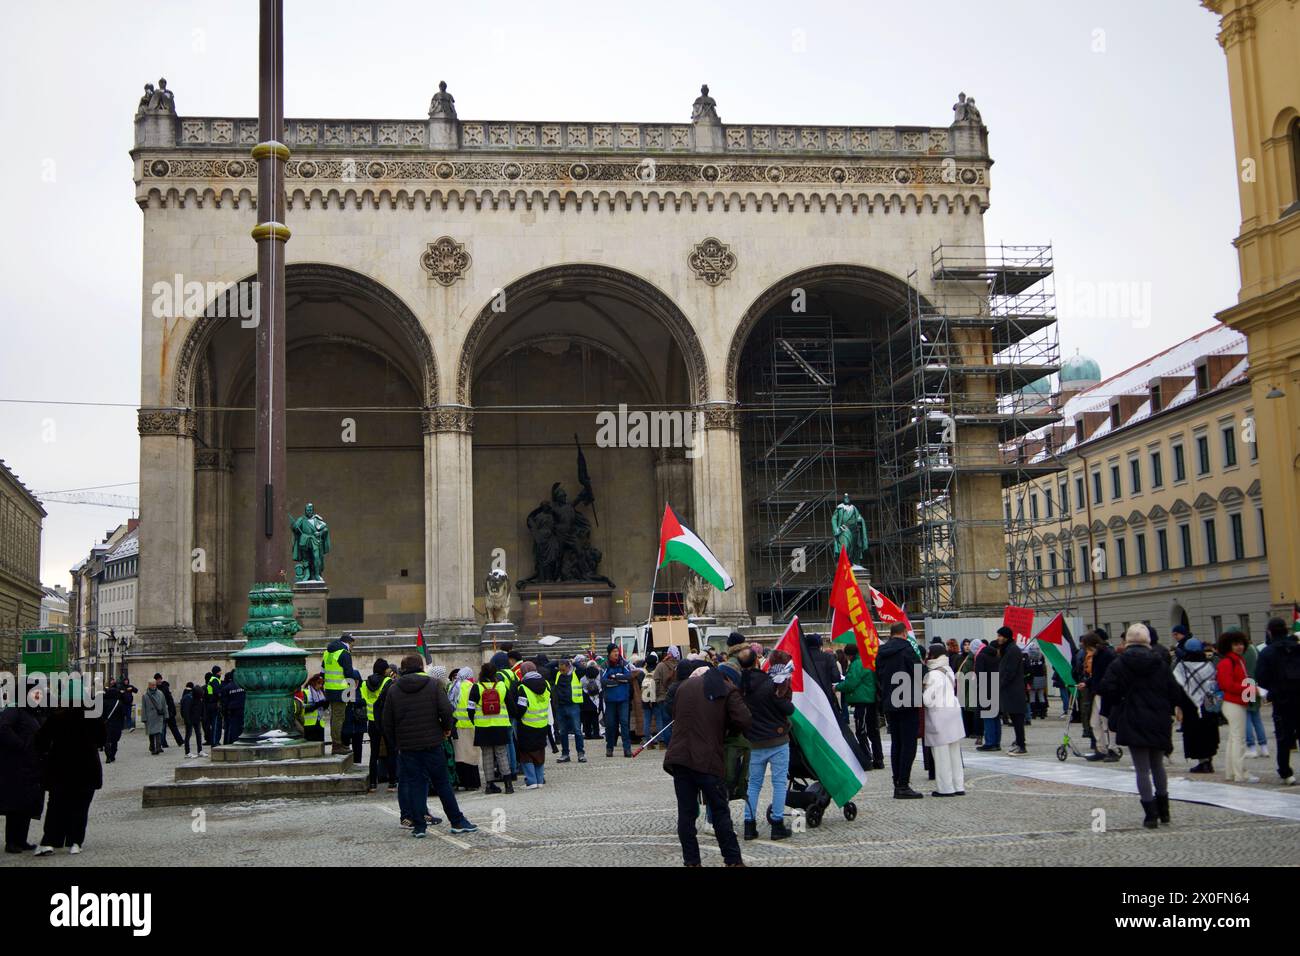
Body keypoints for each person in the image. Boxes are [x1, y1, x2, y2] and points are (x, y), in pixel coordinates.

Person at [662, 659, 752, 867]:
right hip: (708, 759)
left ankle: (691, 862)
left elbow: (675, 715)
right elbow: (745, 720)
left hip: (680, 758)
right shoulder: (727, 688)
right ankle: (733, 860)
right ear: (729, 677)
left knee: (686, 814)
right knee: (720, 810)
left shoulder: (684, 686)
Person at [380, 655, 477, 836]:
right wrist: (446, 729)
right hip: (432, 742)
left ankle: (419, 826)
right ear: (421, 667)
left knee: (416, 784)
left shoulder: (394, 690)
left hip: (407, 746)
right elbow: (447, 710)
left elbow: (387, 722)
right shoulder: (433, 685)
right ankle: (456, 821)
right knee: (442, 783)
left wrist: (396, 743)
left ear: (403, 669)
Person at [1099, 624, 1180, 828]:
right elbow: (1172, 689)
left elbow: (1106, 688)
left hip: (1133, 717)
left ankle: (1150, 814)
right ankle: (1165, 811)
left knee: (1142, 769)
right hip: (1158, 717)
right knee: (1158, 765)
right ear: (1147, 641)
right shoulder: (1159, 662)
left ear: (1127, 641)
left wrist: (1120, 701)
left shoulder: (1120, 663)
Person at [34, 701, 106, 856]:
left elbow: (41, 741)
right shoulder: (93, 716)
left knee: (56, 805)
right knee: (80, 806)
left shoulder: (57, 716)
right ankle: (75, 841)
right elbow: (102, 740)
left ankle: (50, 841)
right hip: (86, 767)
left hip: (61, 767)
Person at [739, 643, 794, 840]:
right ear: (757, 661)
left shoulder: (741, 686)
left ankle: (749, 825)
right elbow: (788, 709)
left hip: (754, 741)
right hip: (777, 740)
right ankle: (777, 825)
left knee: (753, 784)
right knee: (779, 784)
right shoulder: (770, 683)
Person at [876, 622, 924, 798]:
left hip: (890, 701)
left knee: (897, 743)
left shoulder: (881, 652)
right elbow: (920, 673)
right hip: (907, 701)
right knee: (909, 744)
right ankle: (903, 784)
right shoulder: (907, 649)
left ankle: (897, 781)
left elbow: (878, 676)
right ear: (904, 633)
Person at [1255, 616, 1300, 785]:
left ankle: (1286, 772)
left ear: (1270, 632)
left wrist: (1273, 688)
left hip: (1282, 700)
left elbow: (1261, 677)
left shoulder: (1267, 652)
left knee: (1283, 738)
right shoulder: (1297, 648)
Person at [0, 684, 43, 853]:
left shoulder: (31, 713)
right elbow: (3, 729)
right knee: (15, 806)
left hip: (30, 767)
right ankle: (11, 842)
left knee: (26, 805)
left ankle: (21, 840)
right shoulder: (14, 710)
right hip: (16, 768)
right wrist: (21, 745)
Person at [1216, 629, 1259, 783]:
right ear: (1229, 646)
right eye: (1235, 644)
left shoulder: (1236, 660)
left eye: (1241, 644)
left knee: (1233, 740)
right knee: (1238, 740)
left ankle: (1232, 773)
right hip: (1233, 703)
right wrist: (1250, 689)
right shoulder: (1228, 662)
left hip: (1235, 702)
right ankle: (1240, 773)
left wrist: (1250, 692)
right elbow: (1227, 684)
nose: (1239, 647)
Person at [923, 644, 966, 796]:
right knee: (954, 751)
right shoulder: (948, 670)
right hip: (953, 713)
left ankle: (945, 788)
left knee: (941, 754)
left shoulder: (932, 674)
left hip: (939, 716)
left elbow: (928, 699)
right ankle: (958, 785)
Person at [1172, 638, 1220, 774]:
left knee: (1195, 733)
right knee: (1209, 731)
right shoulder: (1209, 665)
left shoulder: (1182, 666)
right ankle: (1209, 761)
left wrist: (1177, 705)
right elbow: (1213, 685)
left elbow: (1177, 686)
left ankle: (1202, 762)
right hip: (1208, 702)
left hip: (1189, 705)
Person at [835, 644, 882, 770]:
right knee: (873, 730)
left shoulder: (857, 664)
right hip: (870, 699)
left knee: (861, 730)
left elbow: (851, 683)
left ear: (848, 655)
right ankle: (879, 758)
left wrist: (836, 687)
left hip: (863, 700)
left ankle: (867, 758)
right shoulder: (866, 660)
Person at [470, 662, 514, 794]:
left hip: (483, 727)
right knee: (502, 753)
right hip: (500, 725)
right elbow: (511, 705)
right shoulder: (501, 686)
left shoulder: (477, 687)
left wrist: (475, 721)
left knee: (487, 755)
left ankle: (489, 785)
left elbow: (470, 708)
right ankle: (508, 784)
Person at [508, 662, 552, 789]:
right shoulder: (546, 684)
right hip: (542, 723)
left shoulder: (523, 687)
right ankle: (539, 780)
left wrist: (516, 714)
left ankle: (531, 781)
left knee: (526, 753)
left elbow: (521, 707)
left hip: (527, 724)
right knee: (539, 751)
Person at [1081, 631, 1119, 761]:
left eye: (1088, 648)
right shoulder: (1097, 655)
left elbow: (1108, 676)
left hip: (1107, 694)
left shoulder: (1108, 655)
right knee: (1095, 722)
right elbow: (1096, 676)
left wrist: (1097, 685)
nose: (1088, 651)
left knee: (1108, 723)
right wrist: (1086, 683)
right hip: (1098, 692)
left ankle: (1113, 749)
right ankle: (1101, 748)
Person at [362, 659, 395, 792]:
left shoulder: (365, 684)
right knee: (391, 751)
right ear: (384, 669)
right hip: (385, 721)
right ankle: (392, 782)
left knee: (374, 753)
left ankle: (373, 784)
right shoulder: (387, 682)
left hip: (371, 721)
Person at [994, 627, 1028, 755]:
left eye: (1000, 636)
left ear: (1006, 636)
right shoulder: (1008, 649)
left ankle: (1021, 745)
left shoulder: (1012, 650)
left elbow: (1010, 671)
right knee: (1015, 719)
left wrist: (1001, 684)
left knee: (1017, 719)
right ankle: (1019, 742)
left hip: (1014, 690)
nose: (998, 638)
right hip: (1010, 690)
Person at [448, 666, 481, 789]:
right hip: (470, 724)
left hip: (456, 726)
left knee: (459, 755)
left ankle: (461, 781)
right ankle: (472, 782)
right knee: (471, 755)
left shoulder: (453, 686)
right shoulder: (471, 687)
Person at [601, 643, 634, 757]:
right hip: (610, 700)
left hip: (623, 699)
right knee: (610, 725)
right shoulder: (605, 665)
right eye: (614, 651)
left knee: (624, 724)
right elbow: (603, 681)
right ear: (609, 653)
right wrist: (619, 680)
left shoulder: (624, 663)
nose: (616, 653)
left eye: (617, 651)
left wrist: (615, 677)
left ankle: (627, 749)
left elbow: (629, 676)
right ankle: (609, 748)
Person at [550, 657, 586, 763]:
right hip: (560, 706)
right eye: (560, 669)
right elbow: (548, 666)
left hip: (573, 705)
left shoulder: (576, 674)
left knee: (577, 731)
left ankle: (581, 754)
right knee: (563, 732)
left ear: (569, 667)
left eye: (563, 669)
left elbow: (583, 668)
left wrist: (574, 662)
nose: (561, 672)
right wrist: (557, 661)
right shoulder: (557, 674)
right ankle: (565, 754)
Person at [1241, 632, 1269, 759]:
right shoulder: (1254, 650)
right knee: (1256, 717)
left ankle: (1251, 746)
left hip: (1246, 684)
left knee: (1247, 716)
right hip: (1253, 683)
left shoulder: (1245, 651)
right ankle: (1264, 747)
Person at [974, 640, 1000, 750]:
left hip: (985, 688)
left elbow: (979, 673)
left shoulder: (981, 656)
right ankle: (997, 742)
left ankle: (989, 742)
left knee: (987, 716)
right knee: (996, 717)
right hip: (996, 686)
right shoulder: (997, 656)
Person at [153, 674, 183, 750]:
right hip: (162, 712)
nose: (159, 680)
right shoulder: (155, 689)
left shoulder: (164, 688)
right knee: (163, 728)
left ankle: (180, 741)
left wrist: (173, 710)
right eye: (157, 679)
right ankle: (163, 743)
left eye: (160, 679)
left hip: (169, 711)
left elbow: (170, 700)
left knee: (173, 727)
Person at [102, 680, 127, 763]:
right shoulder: (119, 703)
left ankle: (108, 756)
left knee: (107, 741)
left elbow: (100, 714)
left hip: (106, 725)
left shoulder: (104, 702)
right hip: (117, 725)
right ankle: (112, 755)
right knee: (114, 741)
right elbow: (123, 714)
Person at [179, 681, 206, 757]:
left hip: (196, 719)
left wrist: (202, 717)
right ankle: (187, 752)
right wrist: (187, 721)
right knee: (188, 735)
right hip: (190, 719)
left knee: (199, 734)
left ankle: (200, 751)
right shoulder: (188, 698)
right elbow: (185, 711)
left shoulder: (199, 697)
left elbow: (201, 708)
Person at [220, 672, 247, 744]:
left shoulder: (227, 687)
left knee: (233, 729)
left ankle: (233, 742)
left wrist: (224, 713)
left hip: (232, 711)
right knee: (242, 727)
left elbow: (224, 703)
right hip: (243, 710)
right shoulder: (244, 686)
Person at [143, 679, 168, 756]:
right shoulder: (145, 695)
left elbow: (164, 705)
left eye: (155, 685)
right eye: (152, 685)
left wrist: (166, 715)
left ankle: (157, 747)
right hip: (150, 716)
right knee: (151, 733)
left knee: (158, 732)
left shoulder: (160, 693)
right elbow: (144, 707)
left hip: (158, 716)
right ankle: (152, 746)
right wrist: (144, 718)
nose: (154, 686)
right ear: (149, 685)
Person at [302, 673, 328, 743]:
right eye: (318, 683)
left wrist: (326, 704)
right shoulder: (305, 692)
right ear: (313, 682)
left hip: (320, 724)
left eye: (322, 684)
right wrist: (317, 705)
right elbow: (303, 709)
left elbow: (324, 708)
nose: (320, 685)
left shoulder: (321, 692)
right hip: (309, 725)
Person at [580, 662, 602, 740]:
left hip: (585, 700)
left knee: (586, 719)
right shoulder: (598, 680)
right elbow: (600, 689)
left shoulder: (583, 679)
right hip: (596, 701)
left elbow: (580, 688)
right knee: (595, 719)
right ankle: (596, 734)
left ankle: (587, 734)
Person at [204, 666, 223, 747]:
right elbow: (217, 692)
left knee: (215, 723)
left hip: (211, 703)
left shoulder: (213, 679)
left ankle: (214, 741)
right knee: (215, 724)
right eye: (220, 671)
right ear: (217, 672)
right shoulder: (215, 680)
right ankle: (214, 742)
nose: (221, 673)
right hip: (214, 703)